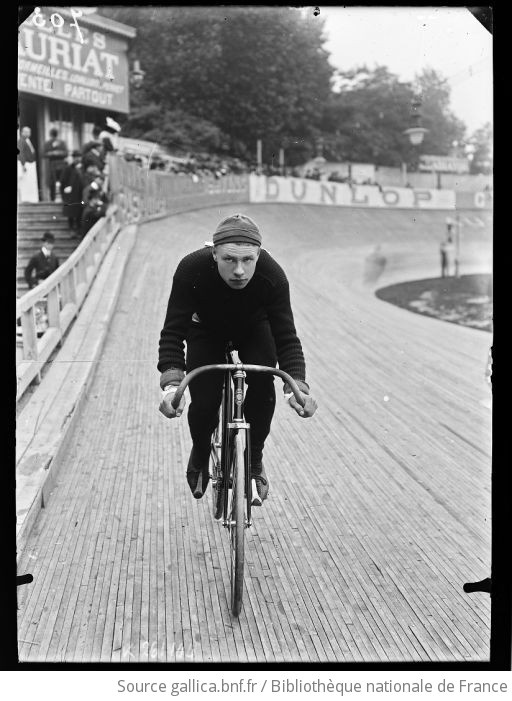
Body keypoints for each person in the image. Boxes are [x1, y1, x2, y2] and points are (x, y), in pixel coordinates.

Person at [158, 213, 318, 503]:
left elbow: (286, 337)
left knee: (262, 390)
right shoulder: (191, 268)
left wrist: (296, 386)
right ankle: (200, 449)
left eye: (248, 260)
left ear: (259, 255)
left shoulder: (273, 275)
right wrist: (172, 386)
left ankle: (254, 459)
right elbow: (172, 332)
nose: (240, 271)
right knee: (205, 402)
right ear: (214, 253)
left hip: (254, 330)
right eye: (230, 260)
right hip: (205, 330)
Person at [60, 150, 85, 233]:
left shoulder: (83, 168)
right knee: (70, 213)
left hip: (80, 193)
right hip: (71, 194)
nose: (78, 159)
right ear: (73, 158)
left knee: (79, 213)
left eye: (79, 157)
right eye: (76, 157)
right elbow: (63, 181)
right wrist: (65, 192)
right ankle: (71, 229)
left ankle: (78, 229)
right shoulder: (68, 168)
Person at [42, 127, 68, 201]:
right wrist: (52, 153)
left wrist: (58, 153)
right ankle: (53, 198)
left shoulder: (62, 143)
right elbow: (44, 154)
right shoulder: (48, 143)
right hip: (52, 164)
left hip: (61, 163)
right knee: (52, 182)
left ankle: (63, 198)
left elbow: (66, 153)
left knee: (63, 180)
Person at [17, 126, 39, 203]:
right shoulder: (21, 141)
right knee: (26, 182)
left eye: (29, 132)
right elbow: (21, 153)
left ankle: (31, 199)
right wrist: (23, 165)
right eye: (25, 132)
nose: (28, 133)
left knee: (30, 183)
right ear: (22, 132)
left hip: (31, 164)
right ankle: (26, 199)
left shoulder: (27, 140)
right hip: (26, 164)